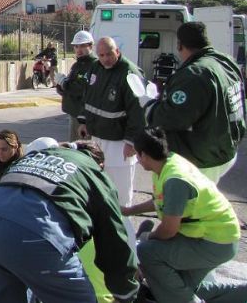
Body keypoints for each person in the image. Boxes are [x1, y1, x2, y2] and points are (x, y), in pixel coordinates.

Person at [0, 138, 139, 303]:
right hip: (34, 233)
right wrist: (125, 291)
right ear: (100, 164)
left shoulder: (33, 157)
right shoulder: (92, 170)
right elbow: (113, 237)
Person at [124, 127, 247, 303]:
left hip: (215, 242)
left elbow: (169, 230)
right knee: (181, 287)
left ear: (143, 155)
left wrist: (147, 238)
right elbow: (161, 201)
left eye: (137, 154)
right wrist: (129, 210)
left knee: (146, 252)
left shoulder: (175, 180)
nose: (136, 159)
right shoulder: (167, 163)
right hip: (216, 236)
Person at [145, 22, 246, 183]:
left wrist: (149, 106)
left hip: (202, 158)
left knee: (192, 198)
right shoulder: (227, 62)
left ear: (180, 45)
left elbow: (171, 118)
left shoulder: (194, 74)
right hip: (225, 149)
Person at [78, 36, 145, 212]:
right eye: (101, 55)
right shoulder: (95, 68)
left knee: (121, 191)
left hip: (119, 142)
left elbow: (137, 111)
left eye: (109, 54)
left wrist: (131, 141)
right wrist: (83, 121)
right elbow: (88, 96)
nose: (105, 59)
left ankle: (124, 222)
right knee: (100, 186)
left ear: (117, 51)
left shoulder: (129, 73)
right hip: (97, 138)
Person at [56, 30, 97, 141]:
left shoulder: (94, 65)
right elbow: (70, 88)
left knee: (83, 146)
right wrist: (61, 86)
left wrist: (64, 83)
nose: (79, 49)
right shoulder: (77, 64)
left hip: (83, 116)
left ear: (90, 46)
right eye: (76, 46)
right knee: (74, 145)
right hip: (74, 113)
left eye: (82, 46)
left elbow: (82, 89)